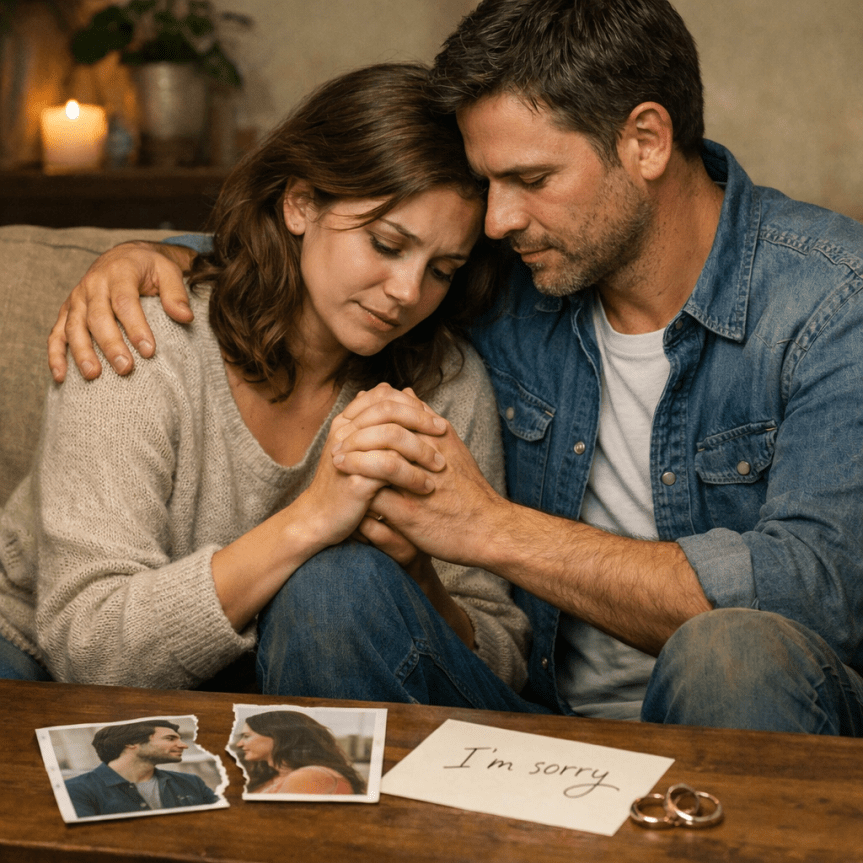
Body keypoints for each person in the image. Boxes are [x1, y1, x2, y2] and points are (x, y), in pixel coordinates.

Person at [44, 0, 863, 735]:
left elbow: (820, 591)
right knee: (332, 586)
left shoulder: (830, 301)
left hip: (746, 707)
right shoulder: (515, 274)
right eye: (487, 184)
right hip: (528, 719)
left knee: (731, 652)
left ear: (645, 140)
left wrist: (486, 528)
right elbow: (327, 258)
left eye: (530, 179)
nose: (498, 220)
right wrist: (148, 256)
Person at [0, 62, 531, 695]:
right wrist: (312, 519)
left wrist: (419, 582)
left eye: (442, 269)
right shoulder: (141, 339)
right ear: (300, 203)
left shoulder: (443, 381)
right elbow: (90, 651)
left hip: (271, 688)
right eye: (387, 245)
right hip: (36, 662)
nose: (408, 292)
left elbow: (503, 661)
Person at [65, 720, 218, 817]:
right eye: (170, 739)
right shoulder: (75, 790)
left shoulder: (191, 782)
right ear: (131, 743)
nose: (183, 745)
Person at [234, 711, 366, 795]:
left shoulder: (309, 775)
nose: (239, 744)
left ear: (279, 737)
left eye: (246, 736)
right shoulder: (273, 775)